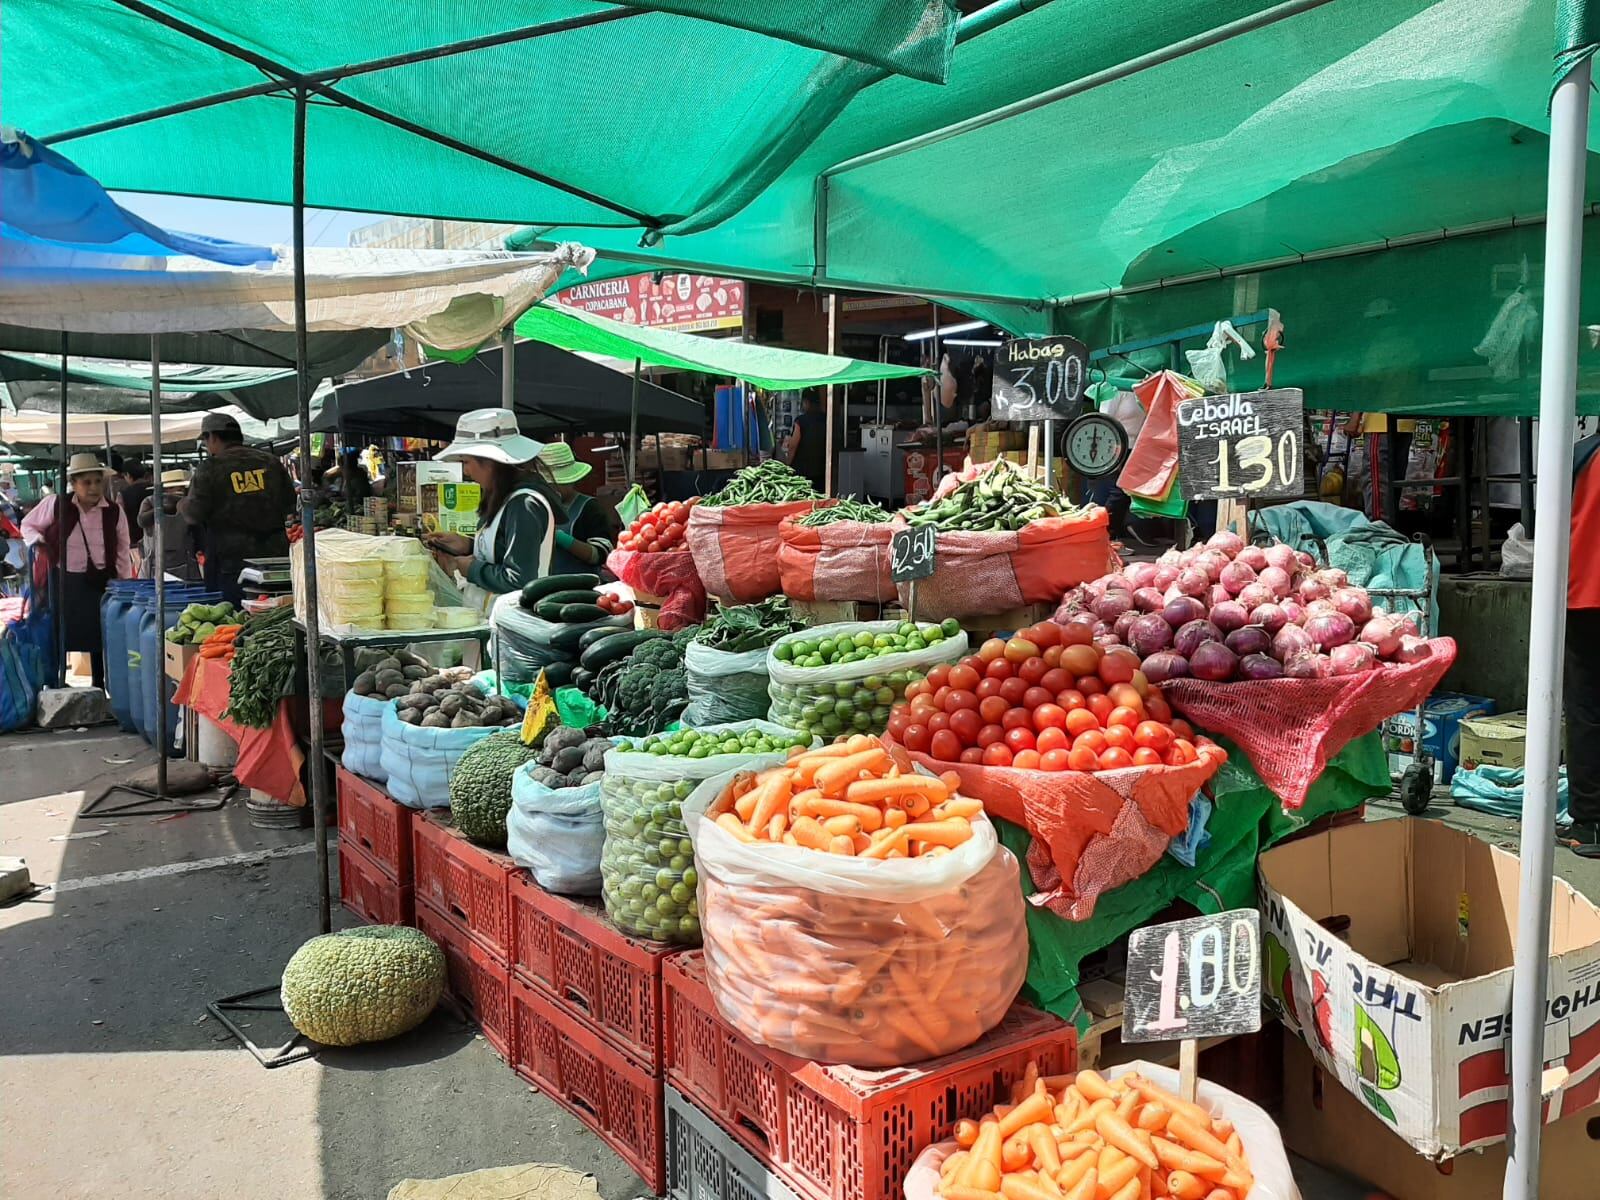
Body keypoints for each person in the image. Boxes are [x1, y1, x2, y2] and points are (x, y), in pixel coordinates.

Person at [421, 408, 566, 613]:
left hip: (517, 626)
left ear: (490, 462)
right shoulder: (505, 498)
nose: (466, 471)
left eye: (466, 462)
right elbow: (503, 550)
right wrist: (467, 545)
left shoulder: (524, 505)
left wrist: (472, 569)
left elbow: (519, 579)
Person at [21, 452, 132, 688]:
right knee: (58, 634)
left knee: (99, 634)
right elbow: (27, 525)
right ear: (74, 484)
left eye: (97, 481)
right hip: (62, 581)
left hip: (100, 582)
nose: (93, 488)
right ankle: (56, 684)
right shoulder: (55, 504)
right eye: (87, 482)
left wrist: (124, 583)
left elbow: (122, 549)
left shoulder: (113, 511)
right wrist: (39, 542)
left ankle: (100, 684)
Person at [181, 412, 295, 605]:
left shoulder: (211, 468)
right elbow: (290, 503)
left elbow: (194, 513)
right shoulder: (271, 462)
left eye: (205, 441)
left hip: (230, 561)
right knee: (275, 613)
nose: (207, 447)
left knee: (233, 621)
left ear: (213, 437)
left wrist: (180, 503)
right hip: (274, 559)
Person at [1567, 432, 1600, 857]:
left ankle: (1591, 824)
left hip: (1585, 596)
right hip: (1583, 593)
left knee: (1587, 709)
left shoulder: (1581, 452)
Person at [535, 441, 621, 575]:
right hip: (542, 586)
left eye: (558, 484)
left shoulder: (589, 508)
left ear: (572, 481)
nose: (552, 489)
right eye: (548, 485)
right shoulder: (535, 507)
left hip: (580, 588)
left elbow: (601, 554)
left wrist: (563, 539)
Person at [138, 469, 203, 582]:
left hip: (185, 561)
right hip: (155, 561)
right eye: (176, 488)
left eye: (181, 488)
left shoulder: (186, 504)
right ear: (166, 489)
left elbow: (197, 528)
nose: (180, 491)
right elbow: (142, 521)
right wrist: (162, 508)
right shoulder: (149, 502)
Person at [784, 392, 829, 492]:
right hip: (822, 472)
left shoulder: (801, 421)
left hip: (802, 473)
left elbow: (793, 446)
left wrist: (787, 466)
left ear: (807, 402)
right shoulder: (827, 419)